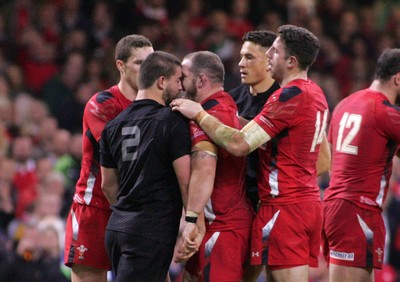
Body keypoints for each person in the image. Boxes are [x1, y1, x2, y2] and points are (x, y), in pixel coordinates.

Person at [171, 24, 329, 282]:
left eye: (274, 52)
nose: (268, 57)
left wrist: (199, 114)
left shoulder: (286, 97)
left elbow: (239, 145)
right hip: (301, 203)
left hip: (283, 206)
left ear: (291, 61)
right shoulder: (315, 92)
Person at [64, 34, 153, 282]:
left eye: (151, 62)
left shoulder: (159, 108)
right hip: (96, 208)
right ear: (120, 66)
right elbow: (124, 156)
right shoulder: (102, 104)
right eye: (139, 63)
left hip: (138, 211)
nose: (147, 69)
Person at [99, 51, 191, 281]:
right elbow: (186, 180)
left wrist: (128, 213)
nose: (181, 87)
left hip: (118, 228)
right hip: (150, 231)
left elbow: (107, 185)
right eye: (178, 80)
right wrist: (193, 222)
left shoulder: (112, 126)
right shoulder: (171, 120)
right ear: (161, 81)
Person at [174, 51, 254, 281]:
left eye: (184, 77)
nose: (180, 84)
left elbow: (204, 169)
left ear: (201, 80)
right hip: (212, 222)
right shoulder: (224, 105)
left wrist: (190, 220)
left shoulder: (210, 113)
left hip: (223, 225)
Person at [322, 48, 400, 282]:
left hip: (339, 206)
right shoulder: (386, 112)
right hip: (357, 211)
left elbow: (330, 161)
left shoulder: (345, 103)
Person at [229, 30, 280, 212]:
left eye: (249, 57)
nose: (241, 64)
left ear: (268, 62)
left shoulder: (285, 101)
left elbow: (321, 163)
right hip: (236, 204)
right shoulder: (230, 100)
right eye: (241, 57)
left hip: (270, 202)